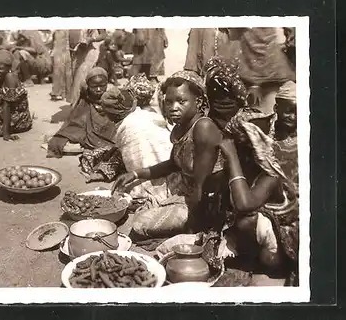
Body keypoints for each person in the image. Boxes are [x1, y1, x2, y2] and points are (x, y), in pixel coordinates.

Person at [112, 71, 224, 238]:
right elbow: (172, 164)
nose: (173, 107)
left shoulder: (203, 128)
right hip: (184, 188)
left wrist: (192, 230)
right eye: (169, 102)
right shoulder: (181, 127)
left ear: (198, 101)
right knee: (133, 201)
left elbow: (203, 187)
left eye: (181, 101)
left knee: (140, 225)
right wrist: (135, 174)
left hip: (205, 200)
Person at [219, 107, 299, 285]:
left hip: (276, 252)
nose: (237, 148)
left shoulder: (270, 174)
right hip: (257, 239)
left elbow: (244, 204)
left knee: (247, 220)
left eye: (241, 143)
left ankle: (259, 262)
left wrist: (232, 157)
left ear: (256, 145)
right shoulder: (244, 167)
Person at [47, 67, 115, 158]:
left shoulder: (112, 99)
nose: (98, 89)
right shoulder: (85, 101)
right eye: (94, 86)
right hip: (86, 127)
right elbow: (77, 120)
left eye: (102, 85)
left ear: (107, 84)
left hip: (105, 128)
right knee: (60, 140)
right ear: (88, 86)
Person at [68, 29, 108, 105]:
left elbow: (104, 34)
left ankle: (81, 106)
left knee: (81, 79)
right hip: (76, 52)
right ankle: (79, 106)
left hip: (89, 52)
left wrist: (92, 39)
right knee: (75, 80)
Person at [273, 81, 298, 192]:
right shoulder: (261, 129)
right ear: (276, 108)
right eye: (288, 112)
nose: (293, 117)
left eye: (298, 113)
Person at [50, 30, 73, 101]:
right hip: (62, 47)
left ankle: (62, 93)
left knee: (64, 70)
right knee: (62, 69)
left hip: (64, 47)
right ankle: (62, 93)